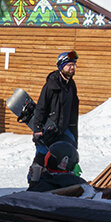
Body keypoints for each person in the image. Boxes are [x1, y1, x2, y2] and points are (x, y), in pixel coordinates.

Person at [27, 51, 79, 186]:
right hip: (49, 127)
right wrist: (37, 129)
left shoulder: (71, 85)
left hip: (64, 128)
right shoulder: (52, 85)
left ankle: (66, 182)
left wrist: (74, 133)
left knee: (70, 153)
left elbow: (73, 110)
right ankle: (33, 183)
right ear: (61, 66)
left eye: (73, 65)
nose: (72, 68)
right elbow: (41, 107)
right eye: (69, 65)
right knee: (42, 156)